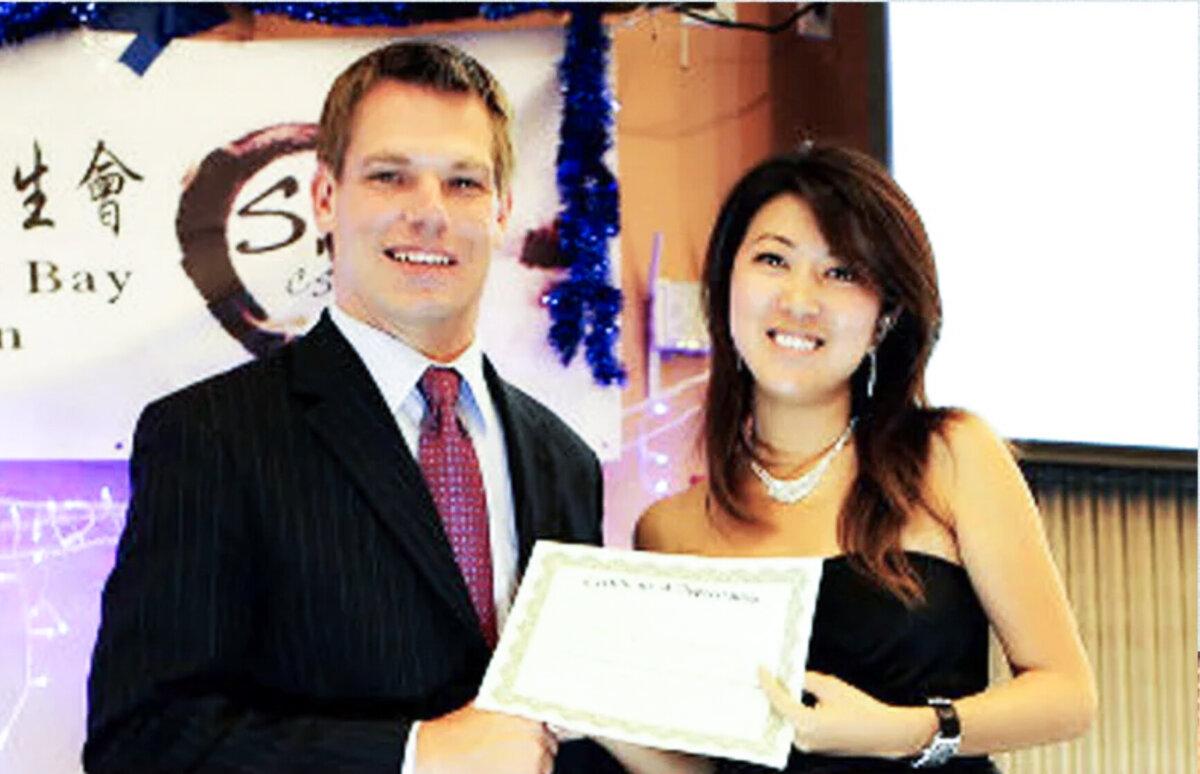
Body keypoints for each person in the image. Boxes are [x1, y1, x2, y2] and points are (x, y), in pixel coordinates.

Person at [85, 40, 621, 774]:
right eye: (390, 176)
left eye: (464, 183)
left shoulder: (565, 460)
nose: (428, 213)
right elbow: (142, 742)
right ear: (326, 197)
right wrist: (413, 754)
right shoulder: (211, 436)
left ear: (501, 211)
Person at [634, 144, 1097, 773]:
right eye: (773, 259)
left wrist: (903, 731)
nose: (800, 299)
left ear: (885, 317)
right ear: (725, 286)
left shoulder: (950, 458)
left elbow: (1067, 694)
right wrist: (590, 714)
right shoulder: (669, 528)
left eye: (842, 272)